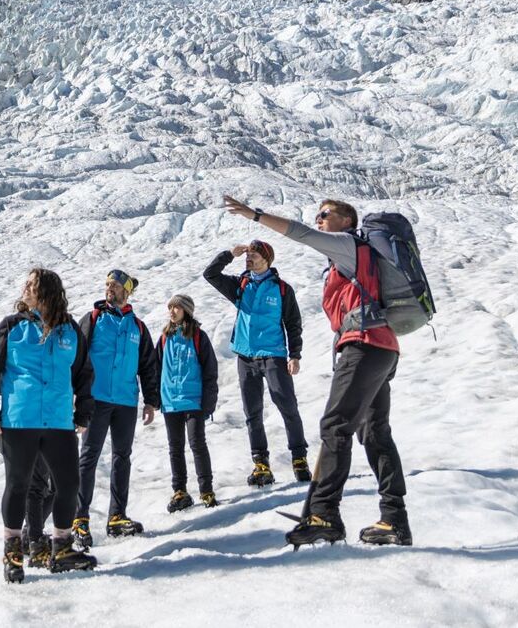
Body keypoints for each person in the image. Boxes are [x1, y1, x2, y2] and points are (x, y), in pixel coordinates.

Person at [222, 195, 412, 548]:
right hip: (382, 348)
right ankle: (394, 519)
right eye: (318, 214)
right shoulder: (352, 261)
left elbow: (301, 233)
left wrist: (255, 215)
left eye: (326, 215)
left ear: (345, 221)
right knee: (374, 433)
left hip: (365, 344)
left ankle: (324, 514)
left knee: (335, 425)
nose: (319, 219)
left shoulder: (348, 245)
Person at [0, 268, 99, 582]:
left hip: (59, 422)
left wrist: (83, 411)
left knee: (68, 485)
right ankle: (13, 555)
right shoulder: (12, 326)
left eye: (32, 284)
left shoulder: (70, 330)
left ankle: (61, 549)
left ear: (46, 291)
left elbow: (84, 373)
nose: (25, 288)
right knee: (18, 486)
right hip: (20, 420)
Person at [203, 239, 310, 487]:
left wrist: (295, 355)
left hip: (274, 355)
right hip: (245, 357)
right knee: (252, 413)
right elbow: (210, 274)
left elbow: (293, 324)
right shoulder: (240, 285)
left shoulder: (282, 289)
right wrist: (229, 254)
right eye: (247, 255)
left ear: (266, 259)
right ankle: (261, 464)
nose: (248, 259)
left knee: (287, 406)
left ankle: (299, 458)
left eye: (253, 255)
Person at [72, 269, 161, 545]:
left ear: (127, 291)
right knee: (88, 457)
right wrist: (75, 395)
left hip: (125, 401)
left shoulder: (138, 327)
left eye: (115, 285)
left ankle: (117, 516)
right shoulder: (93, 319)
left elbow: (148, 366)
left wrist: (150, 400)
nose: (109, 288)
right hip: (95, 399)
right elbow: (76, 357)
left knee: (122, 457)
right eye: (107, 284)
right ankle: (79, 518)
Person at [155, 293, 219, 512]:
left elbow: (210, 371)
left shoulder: (199, 337)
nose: (172, 311)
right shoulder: (165, 338)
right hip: (170, 401)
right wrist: (155, 398)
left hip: (193, 401)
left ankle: (206, 489)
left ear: (186, 311)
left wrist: (208, 402)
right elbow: (156, 368)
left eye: (177, 308)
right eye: (170, 307)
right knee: (175, 448)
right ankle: (179, 490)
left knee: (197, 444)